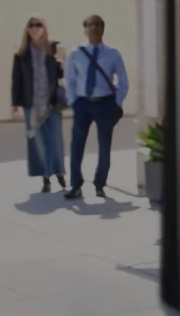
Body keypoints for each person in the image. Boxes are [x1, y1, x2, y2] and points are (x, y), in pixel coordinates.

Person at [64, 14, 128, 200]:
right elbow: (70, 80)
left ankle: (100, 184)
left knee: (104, 145)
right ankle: (75, 185)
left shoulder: (113, 53)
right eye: (89, 25)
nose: (93, 28)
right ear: (85, 29)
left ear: (103, 28)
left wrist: (116, 102)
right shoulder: (76, 53)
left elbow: (123, 81)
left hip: (105, 103)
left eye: (97, 24)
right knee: (76, 145)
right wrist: (73, 101)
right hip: (83, 103)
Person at [11, 16, 67, 192]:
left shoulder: (53, 50)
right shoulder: (21, 56)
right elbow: (16, 81)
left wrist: (63, 61)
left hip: (51, 103)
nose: (34, 28)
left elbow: (61, 74)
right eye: (31, 25)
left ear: (44, 28)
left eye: (38, 25)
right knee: (38, 142)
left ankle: (59, 173)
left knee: (55, 140)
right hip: (31, 104)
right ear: (27, 30)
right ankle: (45, 177)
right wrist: (15, 104)